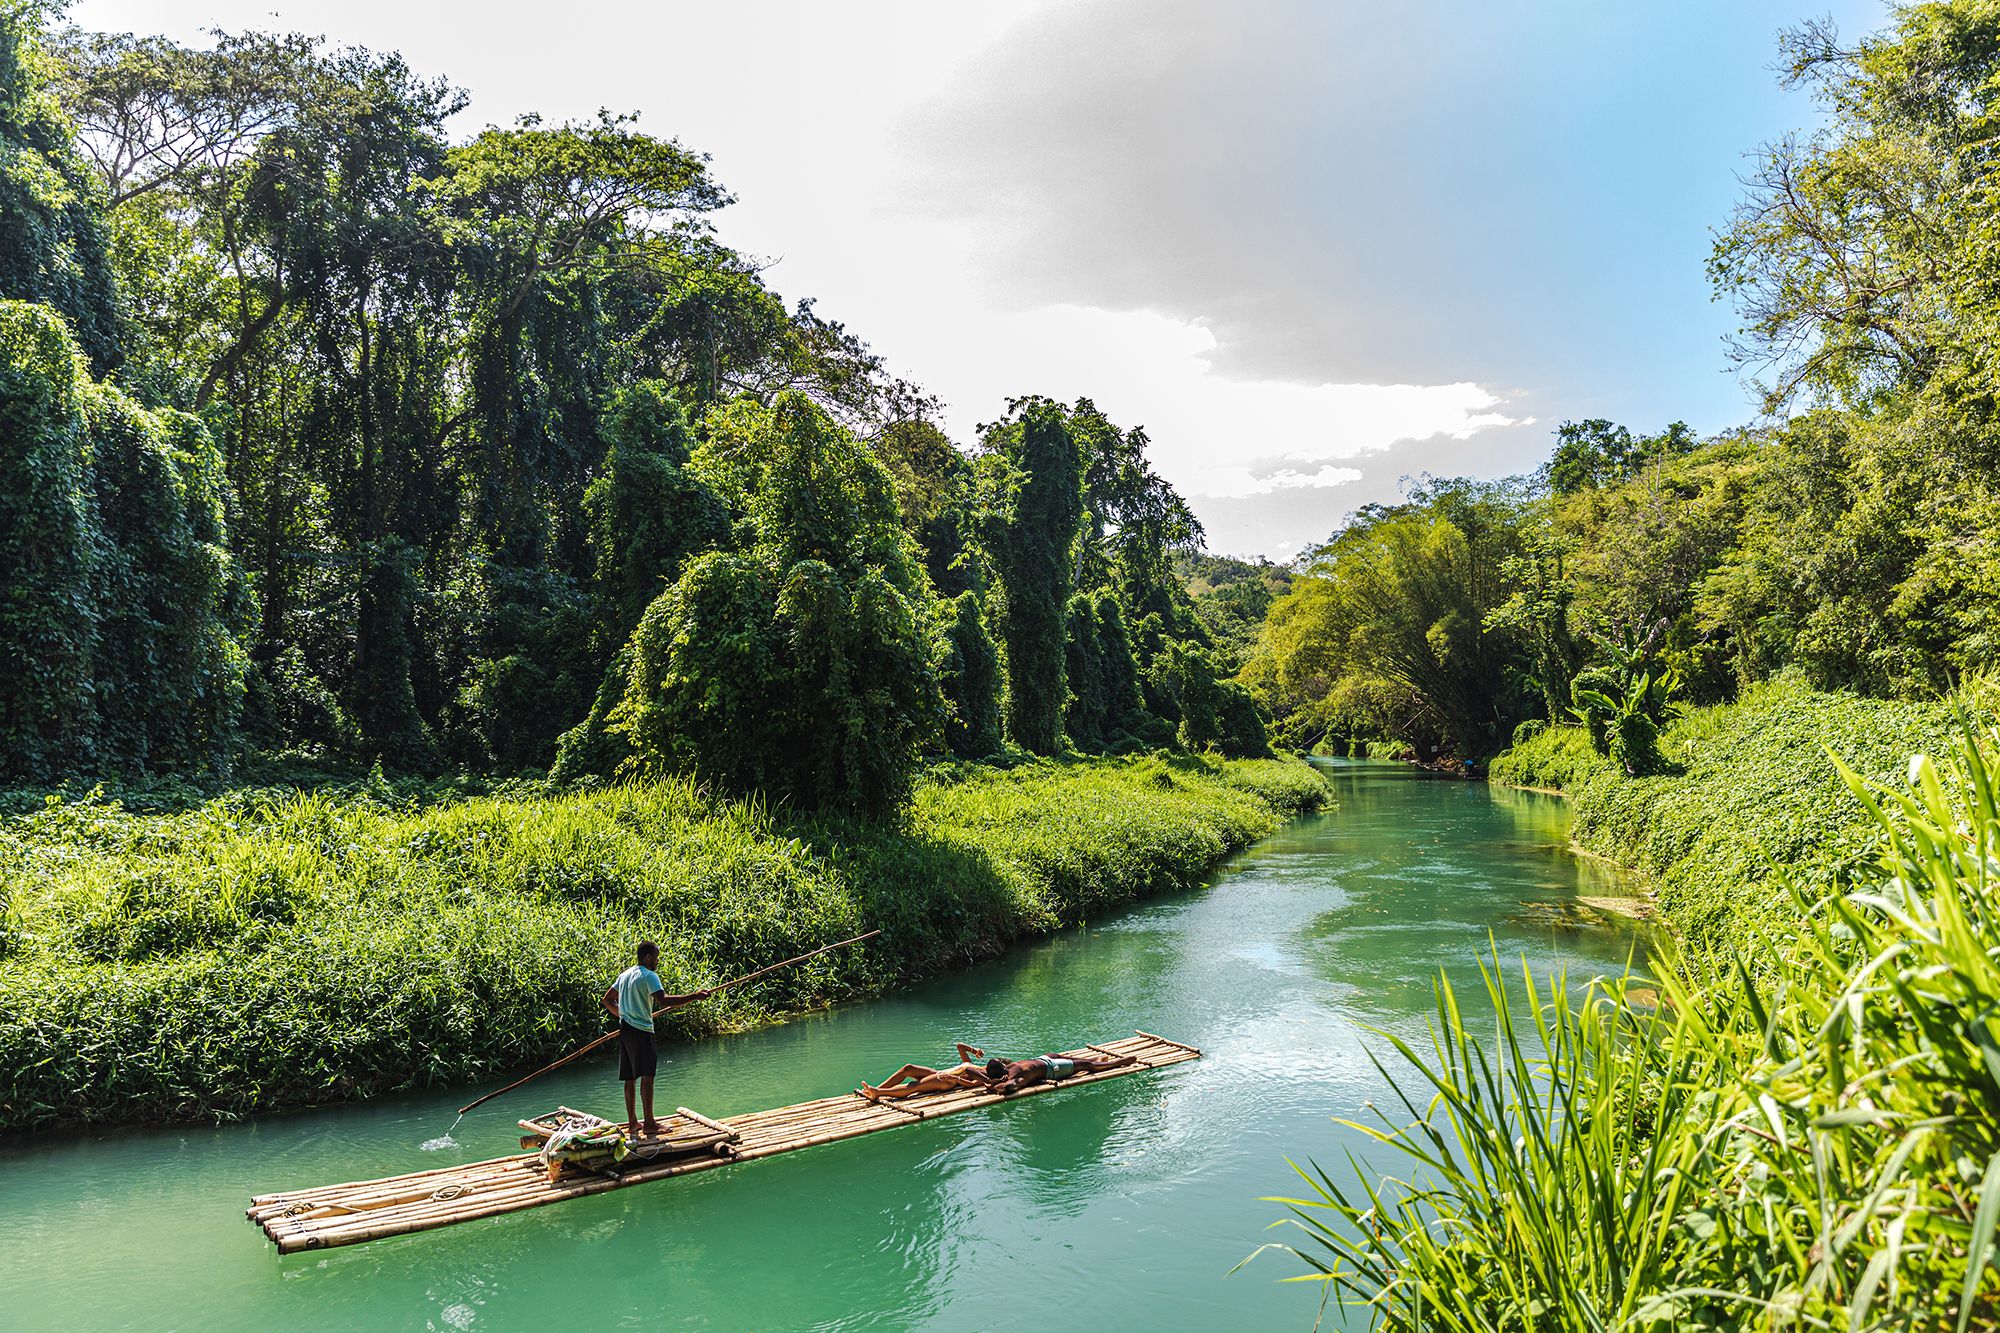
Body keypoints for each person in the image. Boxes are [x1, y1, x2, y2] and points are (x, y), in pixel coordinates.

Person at [601, 942, 708, 1139]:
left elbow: (607, 1000)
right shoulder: (649, 976)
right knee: (647, 1077)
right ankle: (649, 1124)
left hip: (625, 1029)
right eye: (656, 957)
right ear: (648, 957)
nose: (658, 961)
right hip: (642, 1031)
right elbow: (664, 1000)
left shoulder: (624, 975)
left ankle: (633, 1123)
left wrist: (623, 1014)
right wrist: (695, 996)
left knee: (629, 1077)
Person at [858, 1043, 995, 1102]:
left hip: (948, 1080)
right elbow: (960, 1046)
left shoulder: (984, 1077)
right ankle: (878, 1089)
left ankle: (878, 1092)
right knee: (908, 1068)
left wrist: (954, 1078)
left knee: (914, 1085)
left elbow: (971, 1085)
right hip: (939, 1073)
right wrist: (974, 1050)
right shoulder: (973, 1064)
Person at [983, 1048, 1136, 1096]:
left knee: (1057, 1055)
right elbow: (1010, 1088)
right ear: (1001, 1068)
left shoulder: (1009, 1068)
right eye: (1001, 1062)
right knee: (1087, 1065)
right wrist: (995, 1086)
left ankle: (1097, 1060)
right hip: (1052, 1070)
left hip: (1042, 1060)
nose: (1003, 1061)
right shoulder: (1013, 1076)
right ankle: (1117, 1063)